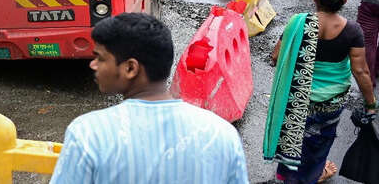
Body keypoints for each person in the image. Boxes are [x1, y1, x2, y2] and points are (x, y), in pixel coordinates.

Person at [50, 13, 249, 184]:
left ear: (130, 68)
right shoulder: (223, 135)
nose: (93, 65)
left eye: (100, 58)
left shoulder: (88, 133)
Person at [265, 0, 377, 184]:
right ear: (345, 1)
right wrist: (371, 104)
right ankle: (311, 176)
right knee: (320, 142)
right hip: (331, 103)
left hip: (298, 99)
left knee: (294, 136)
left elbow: (276, 56)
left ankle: (288, 175)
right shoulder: (353, 30)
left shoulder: (299, 22)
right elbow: (361, 71)